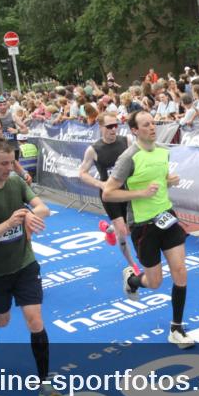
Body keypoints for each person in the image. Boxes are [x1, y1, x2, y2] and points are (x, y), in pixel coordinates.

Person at [0, 139, 60, 396]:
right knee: (3, 319)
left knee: (35, 320)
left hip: (25, 264)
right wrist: (9, 223)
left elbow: (43, 207)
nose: (10, 168)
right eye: (4, 164)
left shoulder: (17, 182)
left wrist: (31, 214)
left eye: (11, 162)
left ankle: (44, 384)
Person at [102, 111, 194, 349]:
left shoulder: (163, 150)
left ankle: (176, 328)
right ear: (134, 130)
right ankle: (133, 280)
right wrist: (139, 194)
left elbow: (161, 178)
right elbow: (108, 192)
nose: (152, 127)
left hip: (167, 216)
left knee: (181, 271)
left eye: (153, 123)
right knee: (155, 282)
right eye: (146, 125)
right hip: (143, 225)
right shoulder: (128, 157)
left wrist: (169, 180)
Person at [78, 112, 142, 275]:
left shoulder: (126, 141)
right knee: (123, 232)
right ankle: (132, 264)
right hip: (110, 194)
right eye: (109, 127)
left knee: (127, 228)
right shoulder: (93, 149)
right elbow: (82, 173)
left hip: (127, 191)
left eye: (116, 125)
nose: (114, 129)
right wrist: (100, 183)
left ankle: (109, 230)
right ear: (100, 127)